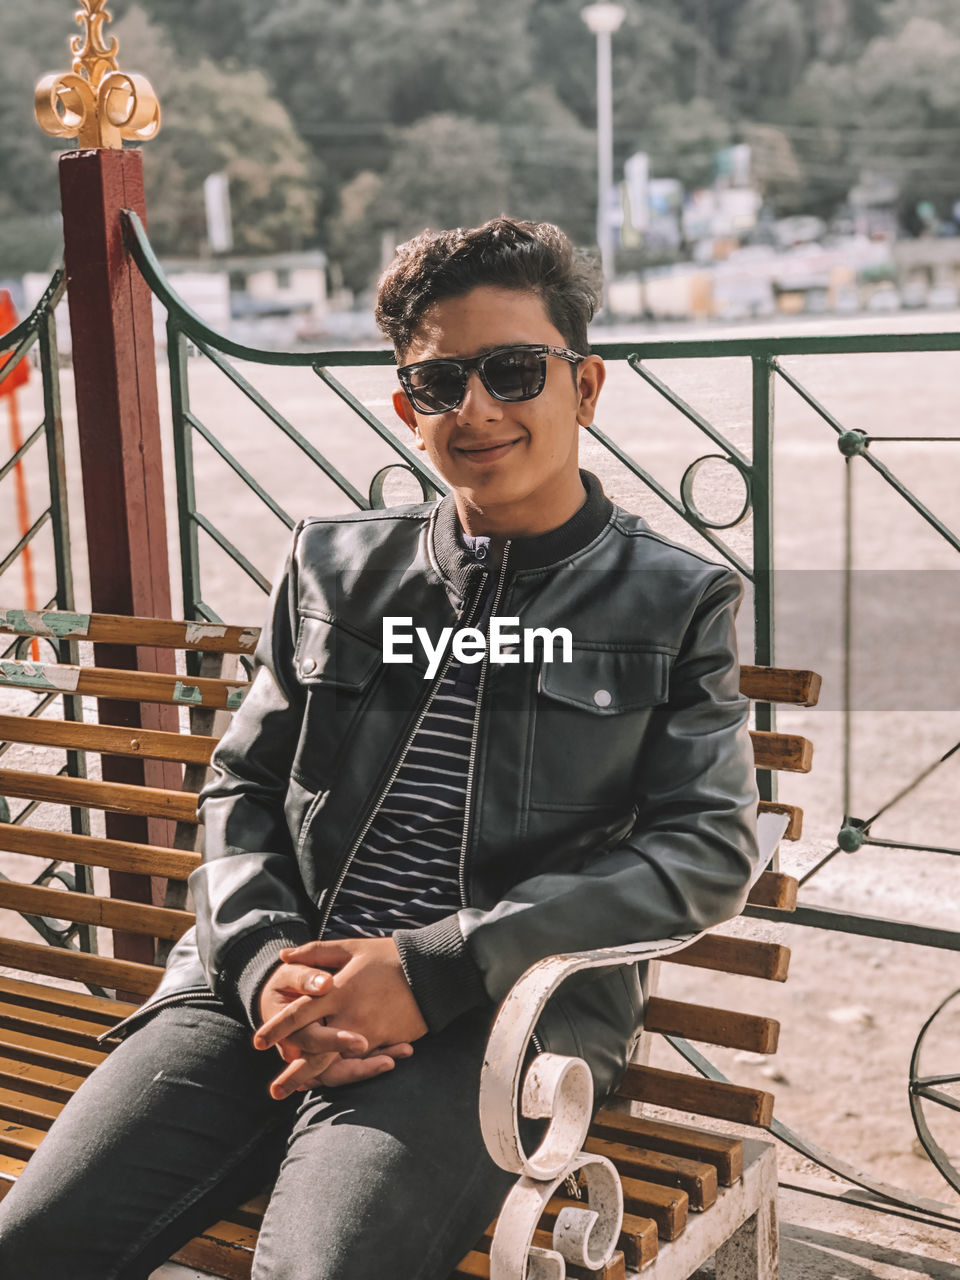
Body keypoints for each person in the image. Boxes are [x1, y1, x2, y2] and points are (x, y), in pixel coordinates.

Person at [0, 216, 759, 1280]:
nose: (479, 409)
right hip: (266, 992)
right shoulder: (332, 565)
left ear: (583, 388)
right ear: (408, 408)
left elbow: (707, 848)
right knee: (30, 1248)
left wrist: (429, 965)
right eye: (443, 383)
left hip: (488, 1027)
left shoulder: (677, 599)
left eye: (513, 371)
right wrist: (264, 964)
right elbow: (242, 784)